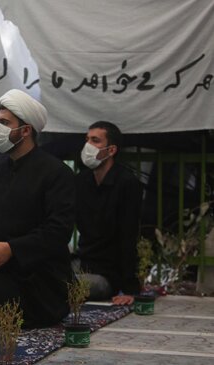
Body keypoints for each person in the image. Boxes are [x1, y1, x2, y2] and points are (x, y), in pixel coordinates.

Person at [0, 89, 75, 330]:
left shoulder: (57, 173)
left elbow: (58, 232)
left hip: (41, 283)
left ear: (26, 130)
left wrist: (13, 249)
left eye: (5, 123)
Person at [74, 121, 142, 305]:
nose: (88, 146)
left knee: (63, 286)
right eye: (87, 139)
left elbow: (128, 235)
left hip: (107, 274)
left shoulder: (126, 183)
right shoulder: (82, 181)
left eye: (95, 141)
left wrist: (129, 289)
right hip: (82, 264)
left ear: (111, 150)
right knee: (41, 277)